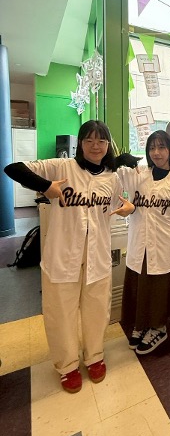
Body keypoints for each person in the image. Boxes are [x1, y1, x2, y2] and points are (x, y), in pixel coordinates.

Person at [4, 120, 134, 393]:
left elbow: (116, 206)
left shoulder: (112, 178)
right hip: (63, 255)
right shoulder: (62, 167)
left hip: (97, 255)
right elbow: (13, 168)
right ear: (80, 144)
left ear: (108, 145)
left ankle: (94, 356)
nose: (96, 146)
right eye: (89, 140)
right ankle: (67, 366)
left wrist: (128, 209)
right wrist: (46, 186)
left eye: (101, 141)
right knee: (61, 312)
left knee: (96, 309)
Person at [116, 130, 170, 355]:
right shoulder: (139, 174)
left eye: (161, 147)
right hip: (140, 239)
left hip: (164, 241)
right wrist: (120, 160)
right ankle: (141, 325)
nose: (156, 153)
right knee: (141, 284)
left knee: (159, 286)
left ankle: (159, 328)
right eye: (152, 148)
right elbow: (111, 173)